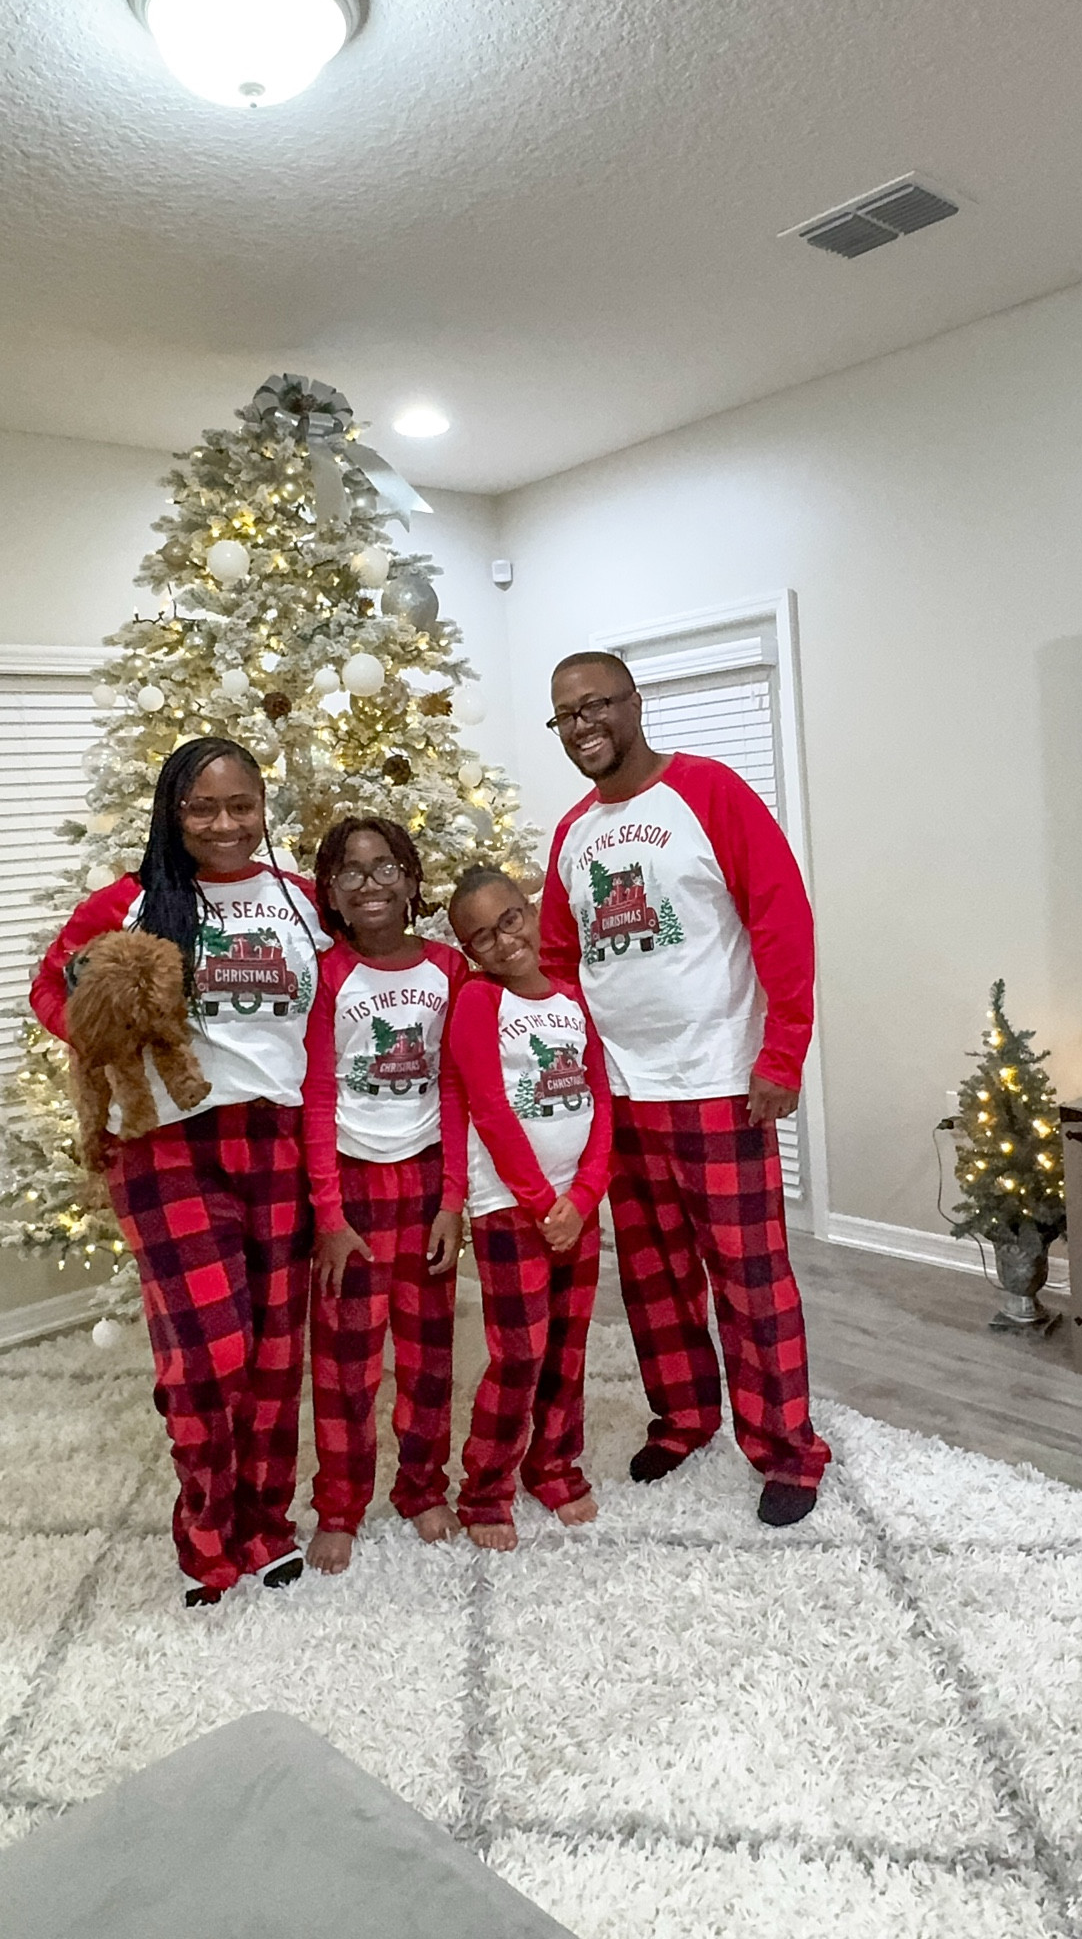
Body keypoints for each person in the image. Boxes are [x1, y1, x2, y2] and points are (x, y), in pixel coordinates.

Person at [30, 737, 328, 1605]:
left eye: (242, 806)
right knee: (211, 1353)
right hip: (166, 1149)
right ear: (173, 813)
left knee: (275, 1354)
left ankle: (267, 1522)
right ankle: (206, 1531)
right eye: (203, 808)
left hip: (277, 1142)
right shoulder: (127, 904)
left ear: (263, 809)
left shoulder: (302, 903)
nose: (225, 824)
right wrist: (106, 1037)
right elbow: (53, 991)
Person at [539, 652, 830, 1526]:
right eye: (565, 715)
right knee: (656, 1277)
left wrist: (782, 1055)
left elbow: (782, 919)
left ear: (635, 704)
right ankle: (686, 1415)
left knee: (750, 1278)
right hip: (619, 1094)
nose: (584, 724)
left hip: (717, 1083)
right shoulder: (571, 833)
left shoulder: (709, 793)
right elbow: (557, 961)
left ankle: (786, 1445)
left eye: (598, 705)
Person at [302, 816, 466, 1572]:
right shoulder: (327, 975)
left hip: (427, 1180)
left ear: (409, 878)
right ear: (330, 891)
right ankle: (340, 1500)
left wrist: (452, 1201)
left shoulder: (449, 972)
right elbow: (318, 1096)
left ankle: (422, 1484)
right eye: (350, 873)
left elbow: (461, 1093)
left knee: (429, 1354)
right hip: (353, 1188)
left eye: (384, 867)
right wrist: (329, 1217)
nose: (369, 884)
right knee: (345, 1362)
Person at [443, 866, 613, 1551]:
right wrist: (546, 1204)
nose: (502, 941)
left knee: (568, 1347)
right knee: (520, 1353)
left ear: (531, 912)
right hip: (511, 1213)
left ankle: (555, 1463)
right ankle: (486, 1486)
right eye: (480, 937)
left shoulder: (575, 1000)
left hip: (578, 1207)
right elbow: (489, 1109)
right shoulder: (480, 1005)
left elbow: (602, 1102)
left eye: (509, 920)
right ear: (470, 951)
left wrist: (585, 1195)